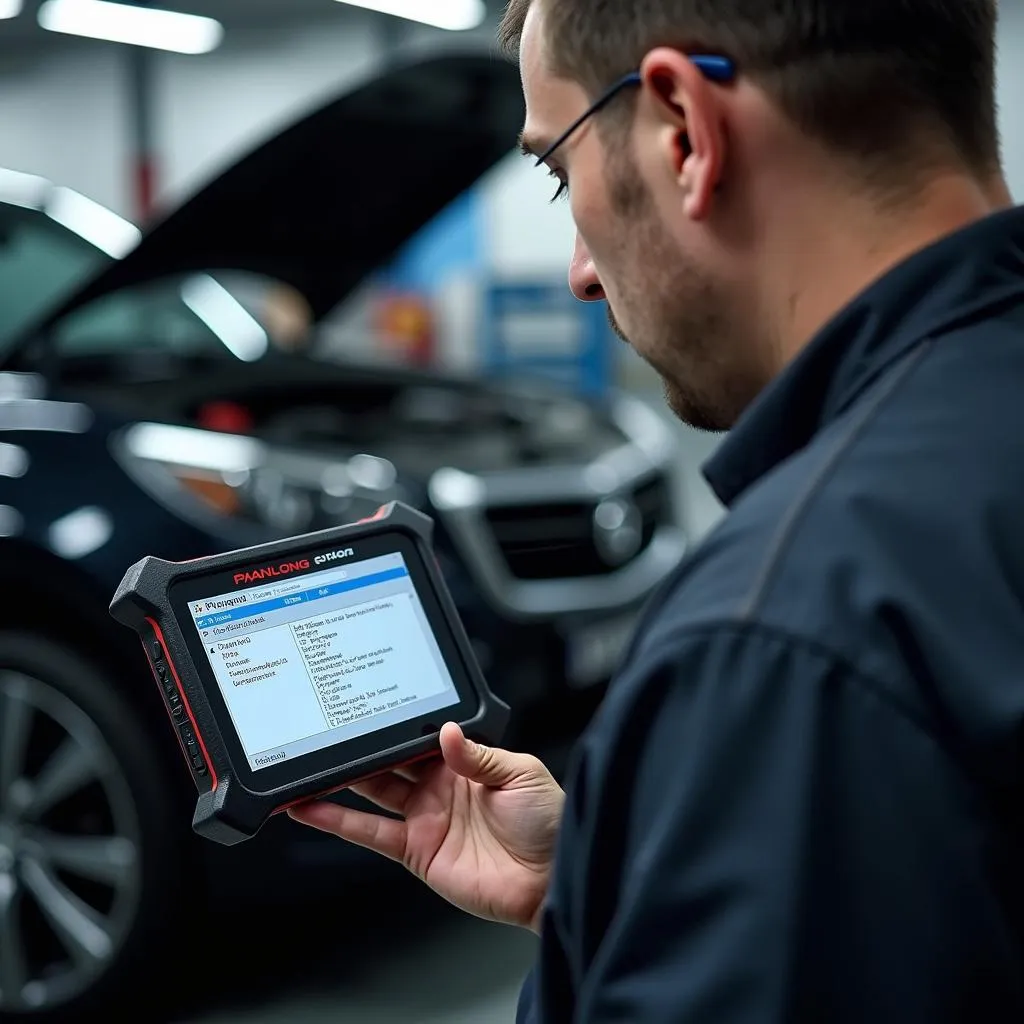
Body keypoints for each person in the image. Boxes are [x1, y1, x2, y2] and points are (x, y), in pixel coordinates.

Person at [290, 0, 1024, 1019]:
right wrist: (626, 891)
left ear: (682, 130)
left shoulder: (783, 642)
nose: (581, 273)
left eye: (558, 173)